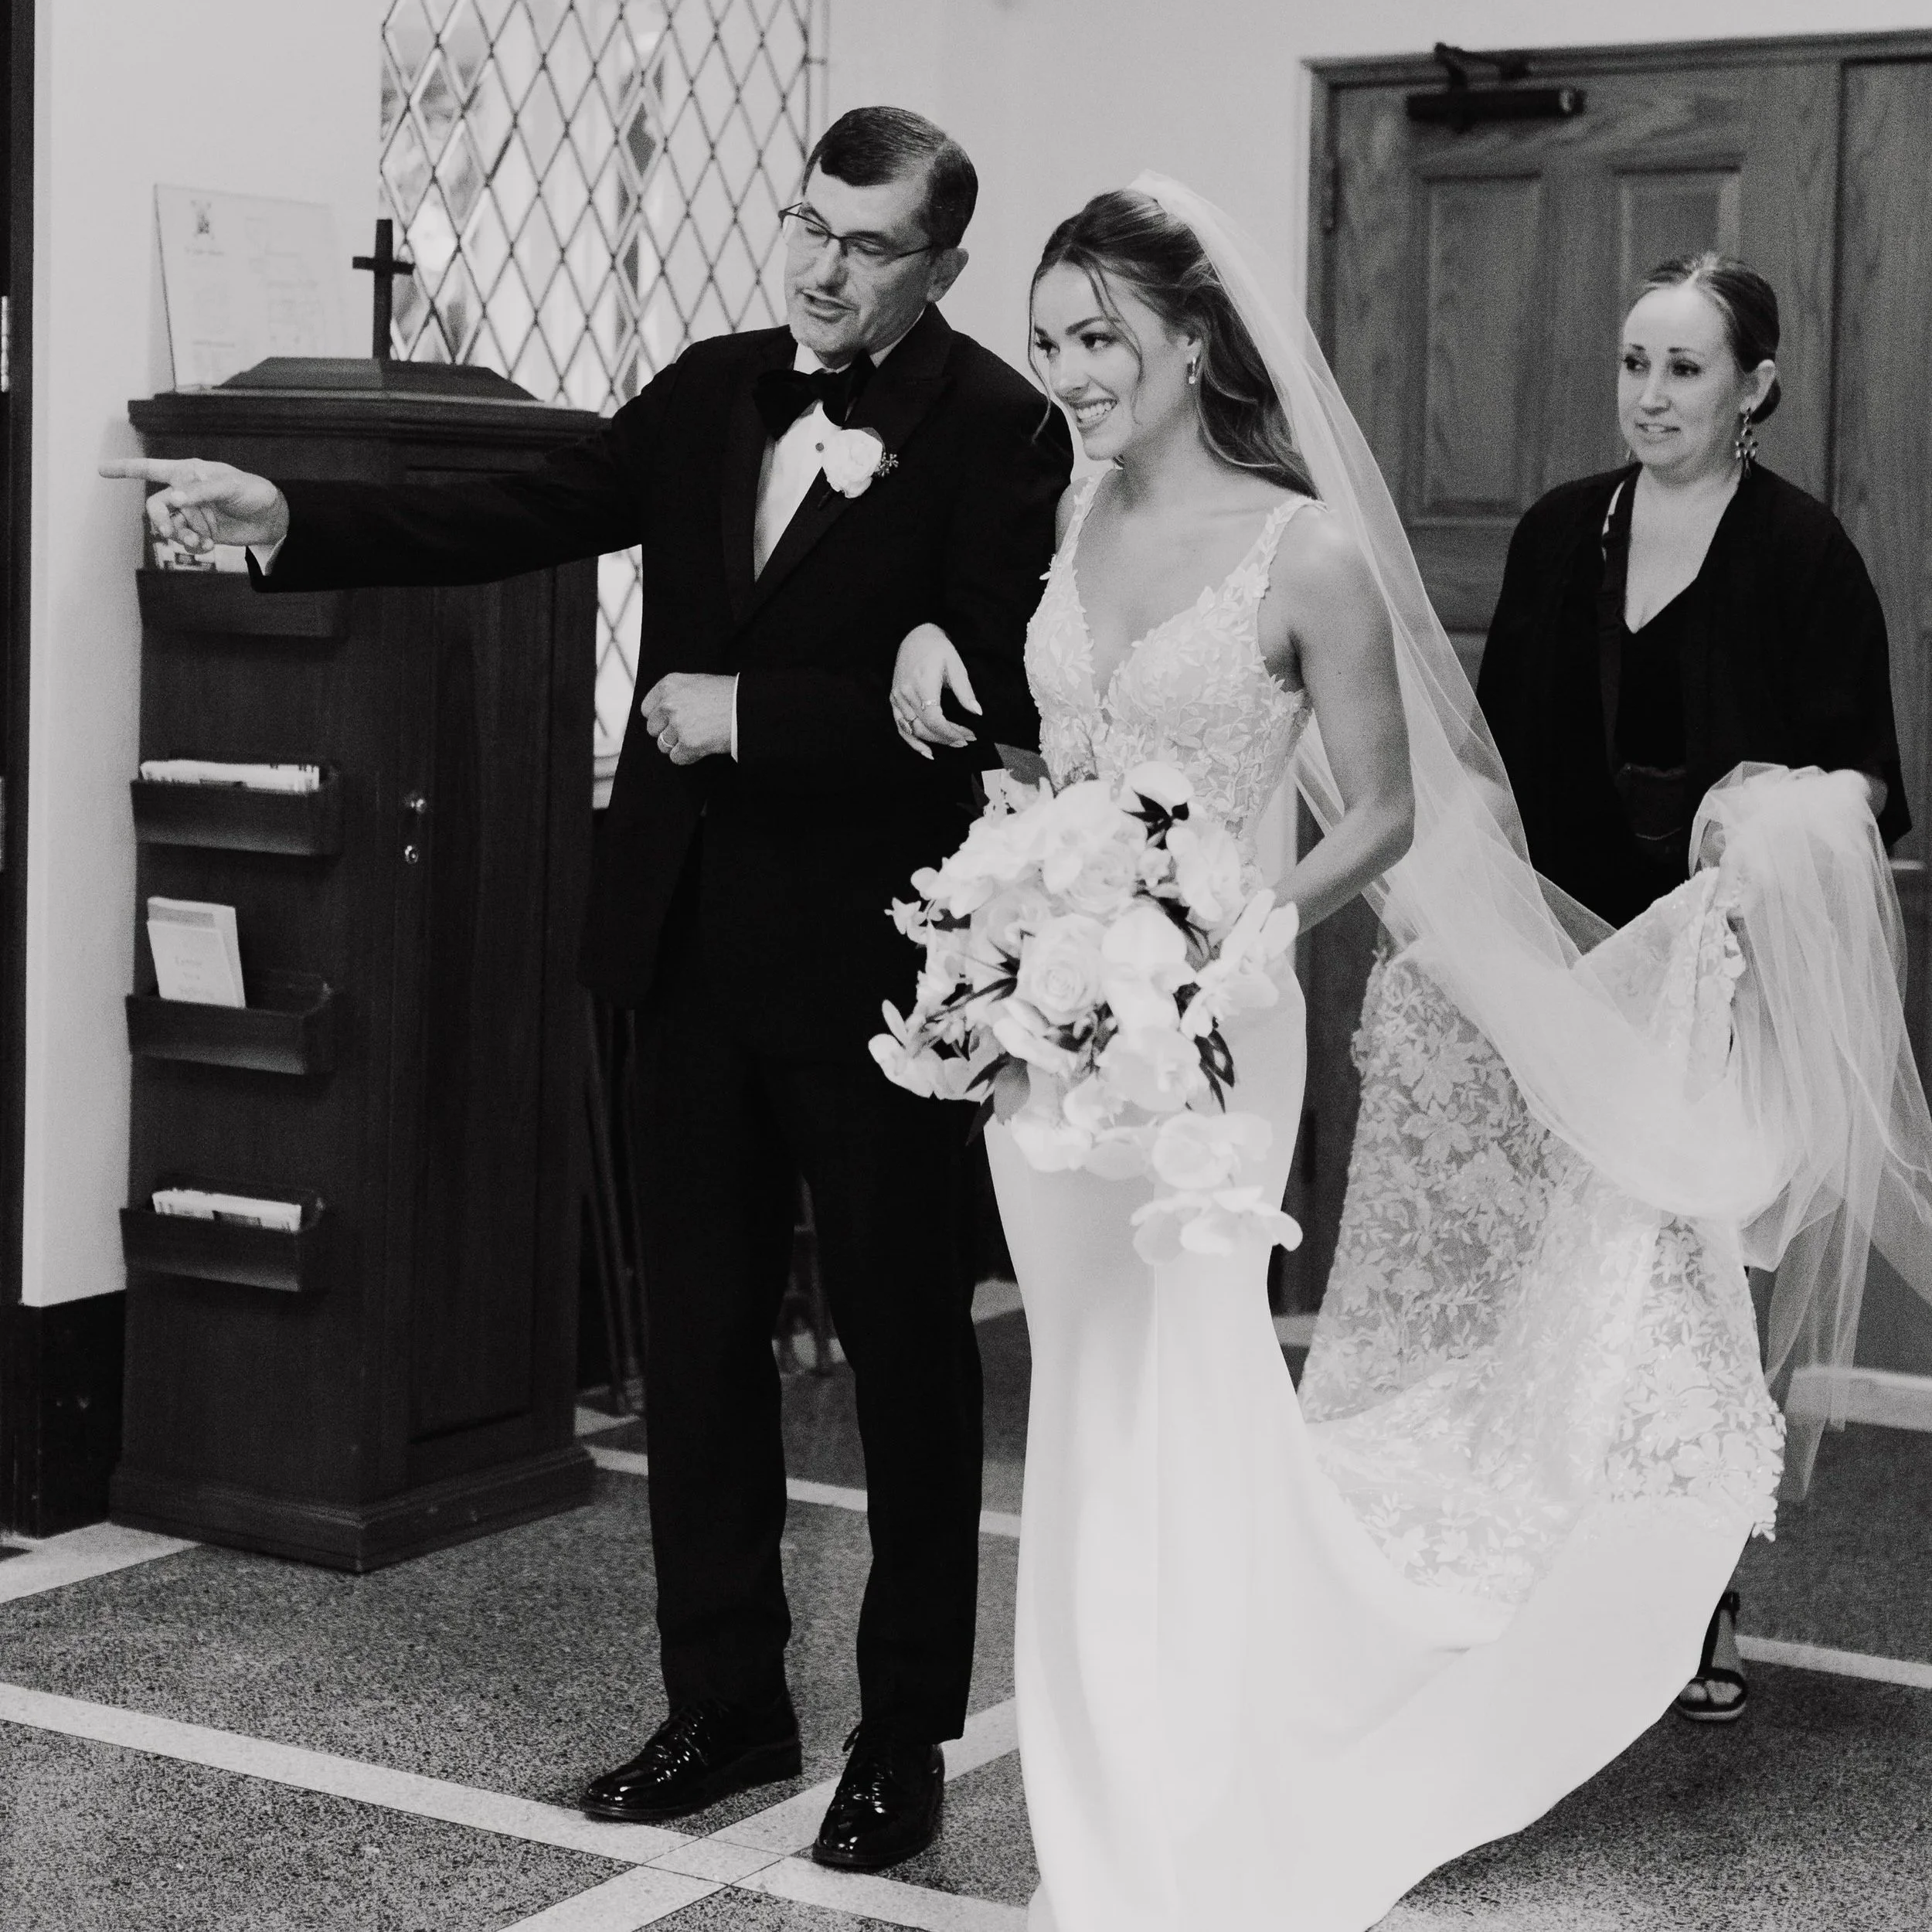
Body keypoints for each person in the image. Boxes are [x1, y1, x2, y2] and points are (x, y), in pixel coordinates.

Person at [890, 182, 1932, 1932]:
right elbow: (1098, 754)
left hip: (1299, 998)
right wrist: (1017, 908)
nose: (1067, 370)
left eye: (1100, 337)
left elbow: (1391, 801)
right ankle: (1108, 1752)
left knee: (1234, 1361)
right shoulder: (1073, 525)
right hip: (1071, 1026)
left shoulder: (1325, 549)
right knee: (1081, 1386)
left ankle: (1258, 1735)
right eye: (1049, 338)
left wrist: (1219, 932)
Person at [103, 106, 1071, 1873]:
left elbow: (995, 698)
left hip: (879, 976)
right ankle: (723, 1702)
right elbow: (523, 504)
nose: (818, 266)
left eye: (864, 245)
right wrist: (290, 513)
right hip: (685, 951)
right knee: (695, 1354)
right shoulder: (710, 387)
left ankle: (900, 1738)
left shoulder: (1000, 431)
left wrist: (746, 716)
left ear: (939, 263)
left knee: (909, 1363)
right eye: (805, 225)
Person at [1460, 253, 1907, 1720]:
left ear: (1754, 387)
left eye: (1687, 369)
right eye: (1636, 363)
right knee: (1573, 1291)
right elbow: (1504, 764)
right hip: (1582, 971)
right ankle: (1562, 1585)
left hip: (1726, 986)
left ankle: (1699, 1597)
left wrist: (1773, 809)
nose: (1652, 395)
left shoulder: (1801, 554)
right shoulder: (1551, 537)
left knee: (1705, 1301)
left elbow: (1871, 788)